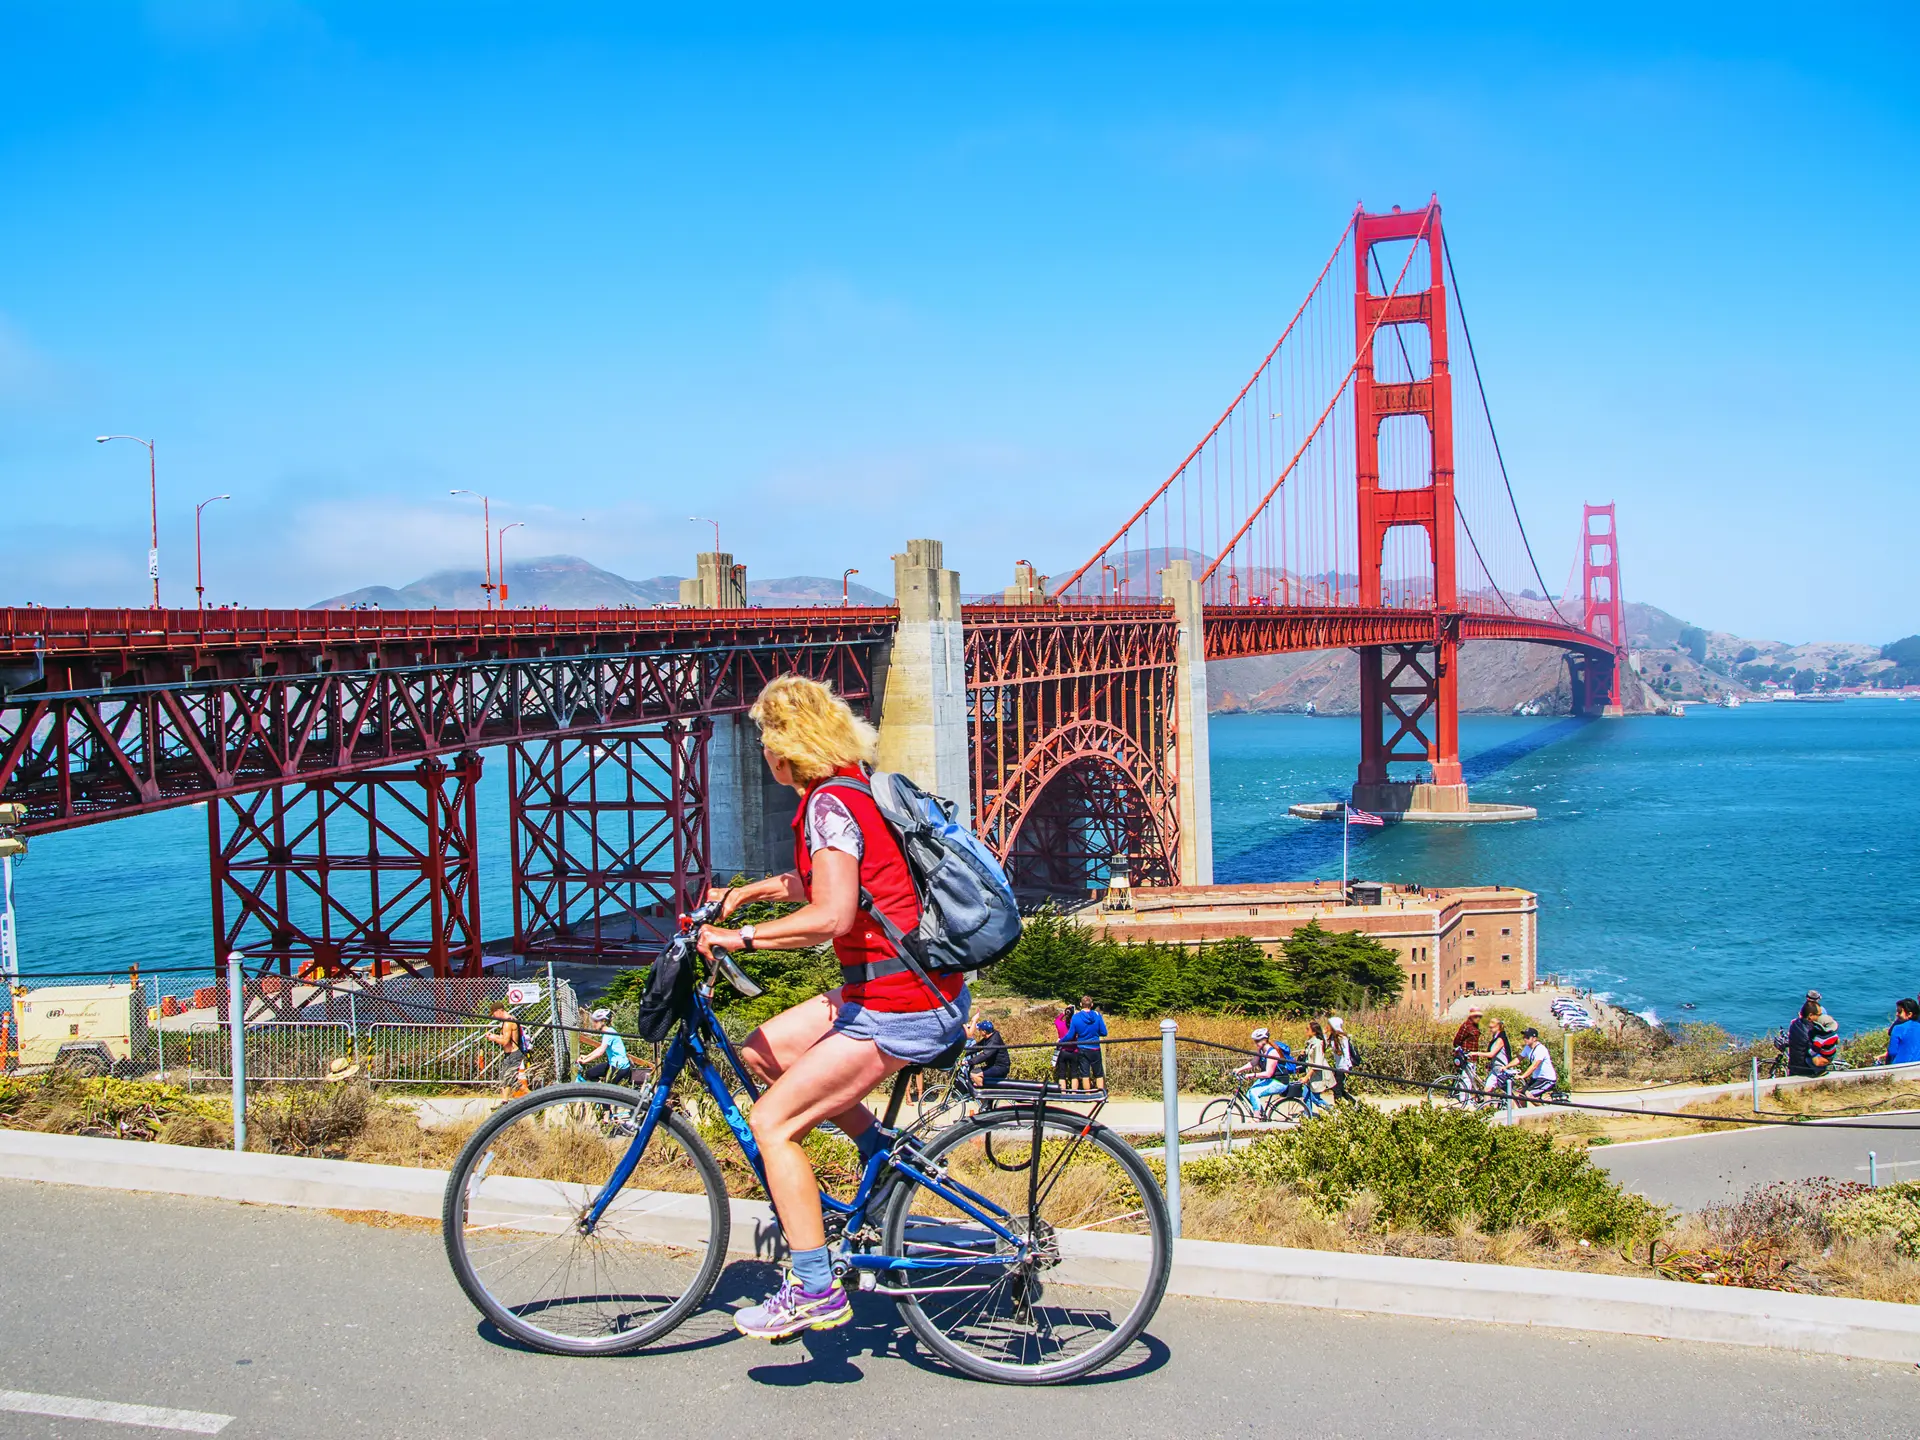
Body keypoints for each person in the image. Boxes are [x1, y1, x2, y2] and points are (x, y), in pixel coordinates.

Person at [694, 675, 970, 1341]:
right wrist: (749, 894)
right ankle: (879, 1158)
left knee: (773, 1125)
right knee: (762, 1052)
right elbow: (832, 878)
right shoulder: (852, 785)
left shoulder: (827, 807)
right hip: (898, 986)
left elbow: (832, 913)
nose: (762, 750)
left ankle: (814, 1288)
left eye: (767, 738)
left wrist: (741, 938)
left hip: (899, 1002)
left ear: (789, 746)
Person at [1232, 1026, 1293, 1113]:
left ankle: (1257, 1118)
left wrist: (1252, 1075)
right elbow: (1253, 1063)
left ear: (1264, 1040)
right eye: (1255, 1041)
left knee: (1254, 1093)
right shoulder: (1261, 1050)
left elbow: (1268, 1073)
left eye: (1257, 1041)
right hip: (1269, 1080)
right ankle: (1261, 1113)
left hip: (1279, 1082)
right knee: (1249, 1094)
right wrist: (1239, 1069)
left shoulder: (1272, 1053)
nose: (1256, 1043)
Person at [478, 1003, 531, 1097]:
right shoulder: (509, 1020)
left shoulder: (508, 1023)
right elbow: (507, 1038)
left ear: (499, 1011)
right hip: (509, 1054)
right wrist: (495, 1036)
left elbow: (506, 1042)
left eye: (494, 1013)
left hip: (514, 1054)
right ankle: (504, 1102)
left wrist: (494, 1039)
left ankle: (534, 1096)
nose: (494, 1016)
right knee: (505, 1078)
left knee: (510, 1079)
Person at [1786, 991, 1840, 1078]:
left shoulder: (1794, 1024)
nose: (1820, 1017)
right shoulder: (1811, 1032)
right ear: (1811, 1015)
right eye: (1818, 1015)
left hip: (1794, 1066)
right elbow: (1814, 1052)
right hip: (1807, 1069)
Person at [578, 1009, 634, 1085]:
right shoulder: (606, 1032)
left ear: (603, 1021)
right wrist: (586, 1056)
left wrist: (585, 1061)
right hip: (613, 1064)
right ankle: (600, 1089)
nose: (594, 1024)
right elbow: (600, 1048)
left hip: (620, 1068)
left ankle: (601, 1092)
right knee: (590, 1073)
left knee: (609, 1089)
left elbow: (600, 1052)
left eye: (596, 1021)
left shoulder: (609, 1033)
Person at [1064, 995, 1108, 1091]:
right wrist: (1095, 1032)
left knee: (1085, 1074)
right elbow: (1104, 1032)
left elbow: (1070, 1035)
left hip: (1082, 1047)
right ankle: (1101, 1094)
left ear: (1080, 1004)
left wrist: (1061, 1041)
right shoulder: (1097, 1015)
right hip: (1095, 1047)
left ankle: (1087, 1095)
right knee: (1099, 1073)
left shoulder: (1076, 1017)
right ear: (1091, 1005)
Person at [1300, 1020, 1335, 1119]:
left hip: (1318, 1075)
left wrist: (1306, 1077)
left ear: (1314, 1031)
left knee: (1315, 1098)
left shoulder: (1318, 1044)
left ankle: (1332, 1110)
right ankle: (1308, 1117)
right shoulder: (1310, 1042)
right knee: (1306, 1095)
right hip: (1311, 1074)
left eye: (1308, 1029)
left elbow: (1317, 1064)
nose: (1305, 1031)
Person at [1516, 1026, 1558, 1103]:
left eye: (1527, 1037)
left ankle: (1542, 1113)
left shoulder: (1541, 1049)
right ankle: (1524, 1113)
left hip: (1547, 1079)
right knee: (1521, 1096)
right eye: (1524, 1037)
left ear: (1534, 1039)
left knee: (1529, 1094)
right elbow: (1518, 1059)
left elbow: (1534, 1066)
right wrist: (1506, 1067)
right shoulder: (1527, 1048)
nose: (1525, 1039)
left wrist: (1523, 1076)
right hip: (1536, 1078)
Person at [967, 1017, 1011, 1090]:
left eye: (979, 1030)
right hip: (993, 1066)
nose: (978, 1031)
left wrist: (968, 1062)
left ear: (984, 1031)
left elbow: (985, 1055)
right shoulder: (988, 1038)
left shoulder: (994, 1041)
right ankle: (986, 1094)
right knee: (974, 1071)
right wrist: (962, 1053)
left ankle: (983, 1097)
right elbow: (977, 1047)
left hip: (1000, 1068)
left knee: (974, 1075)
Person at [1881, 998, 1920, 1066]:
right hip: (1916, 1066)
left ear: (1909, 1014)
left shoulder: (1898, 1028)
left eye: (1899, 1011)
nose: (1896, 1014)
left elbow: (1892, 1052)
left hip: (1899, 1067)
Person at [1327, 1015, 1355, 1101]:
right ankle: (1353, 1102)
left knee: (1337, 1090)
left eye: (1329, 1025)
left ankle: (1339, 1109)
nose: (1327, 1026)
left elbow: (1346, 1053)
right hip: (1337, 1066)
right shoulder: (1332, 1037)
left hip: (1343, 1067)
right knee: (1339, 1089)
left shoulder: (1342, 1038)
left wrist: (1347, 1068)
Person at [1052, 1005, 1076, 1086]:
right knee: (1074, 1074)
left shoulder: (1060, 1024)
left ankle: (1063, 1092)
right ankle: (1074, 1093)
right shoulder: (1074, 1025)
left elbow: (1056, 1020)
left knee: (1062, 1074)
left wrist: (1063, 1013)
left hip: (1063, 1050)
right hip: (1074, 1050)